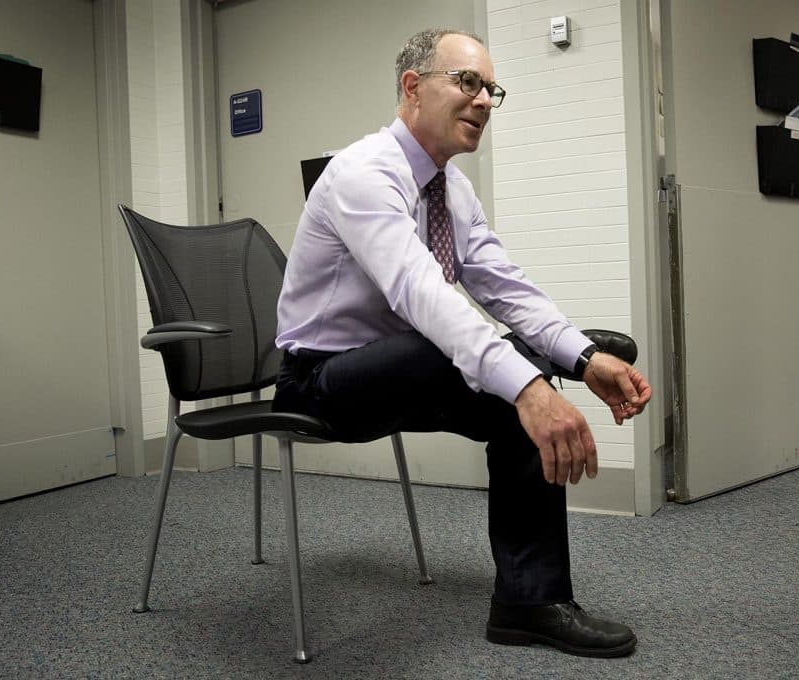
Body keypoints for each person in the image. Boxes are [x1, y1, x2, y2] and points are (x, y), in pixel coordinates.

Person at [272, 28, 652, 658]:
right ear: (412, 88)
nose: (483, 101)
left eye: (490, 90)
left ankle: (529, 605)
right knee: (480, 358)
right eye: (468, 82)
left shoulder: (454, 191)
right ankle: (535, 363)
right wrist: (531, 382)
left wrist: (580, 356)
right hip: (321, 382)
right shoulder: (362, 173)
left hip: (409, 366)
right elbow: (423, 294)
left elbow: (506, 288)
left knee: (508, 384)